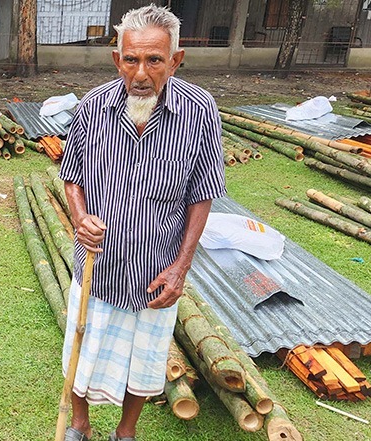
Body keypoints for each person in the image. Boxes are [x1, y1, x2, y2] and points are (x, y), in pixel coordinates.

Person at [58, 5, 226, 441]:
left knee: (145, 355)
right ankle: (80, 424)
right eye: (131, 59)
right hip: (98, 264)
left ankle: (126, 431)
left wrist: (181, 267)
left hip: (156, 270)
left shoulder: (200, 110)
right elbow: (70, 175)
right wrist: (80, 217)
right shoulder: (93, 106)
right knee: (82, 345)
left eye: (155, 60)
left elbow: (202, 193)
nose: (141, 73)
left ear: (176, 60)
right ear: (117, 60)